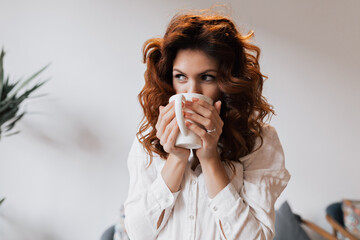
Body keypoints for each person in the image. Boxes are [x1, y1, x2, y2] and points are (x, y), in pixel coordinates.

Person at [123, 8, 291, 240]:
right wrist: (177, 157)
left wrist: (210, 158)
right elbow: (136, 234)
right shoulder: (150, 138)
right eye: (180, 77)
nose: (192, 93)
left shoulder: (260, 140)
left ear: (228, 82)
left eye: (207, 77)